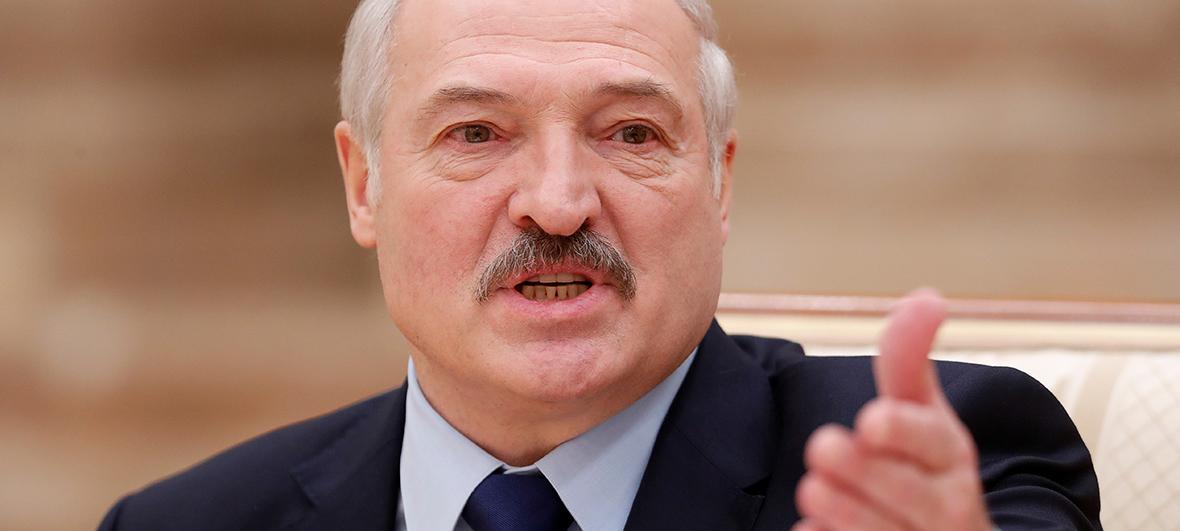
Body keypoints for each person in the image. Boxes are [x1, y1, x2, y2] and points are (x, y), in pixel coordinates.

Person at [98, 0, 1101, 529]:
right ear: (364, 186)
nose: (558, 201)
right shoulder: (184, 523)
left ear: (718, 182)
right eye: (477, 133)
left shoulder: (953, 458)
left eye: (629, 133)